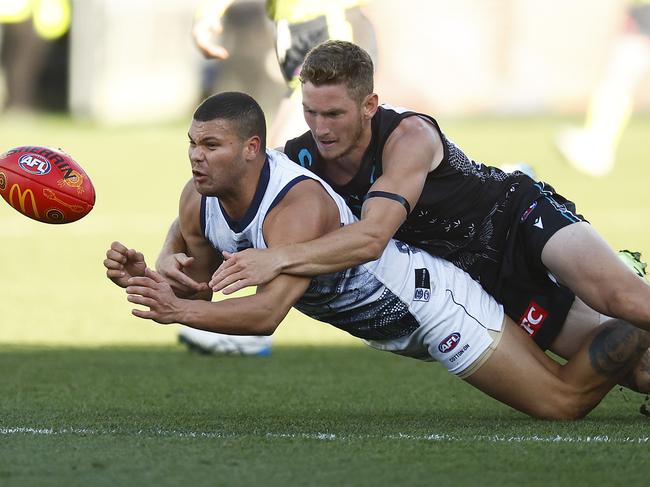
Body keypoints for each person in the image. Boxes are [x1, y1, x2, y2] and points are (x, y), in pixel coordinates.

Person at [104, 91, 650, 419]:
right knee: (641, 374)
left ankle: (636, 302)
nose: (196, 159)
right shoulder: (197, 200)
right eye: (192, 145)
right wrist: (151, 274)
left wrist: (180, 313)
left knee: (562, 402)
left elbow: (263, 315)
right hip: (398, 321)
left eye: (210, 147)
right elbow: (200, 285)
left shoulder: (295, 208)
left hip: (432, 304)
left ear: (251, 150)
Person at [197, 41, 650, 392]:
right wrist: (180, 255)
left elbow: (372, 237)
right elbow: (248, 202)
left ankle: (618, 273)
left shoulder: (408, 137)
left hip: (518, 219)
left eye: (334, 113)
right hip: (482, 278)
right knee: (631, 366)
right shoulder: (300, 157)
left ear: (369, 105)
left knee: (627, 301)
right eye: (311, 113)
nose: (321, 128)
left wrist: (278, 258)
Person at [192, 0, 376, 148]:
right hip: (299, 29)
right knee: (287, 154)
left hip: (329, 23)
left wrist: (209, 12)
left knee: (283, 153)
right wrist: (209, 12)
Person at [556, 0, 650, 177]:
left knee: (616, 84)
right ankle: (598, 142)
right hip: (641, 15)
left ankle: (598, 146)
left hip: (643, 18)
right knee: (616, 84)